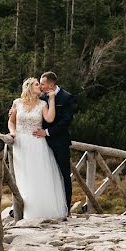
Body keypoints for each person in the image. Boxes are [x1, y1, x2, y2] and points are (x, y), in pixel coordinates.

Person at [7, 77, 68, 219]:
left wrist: (52, 100)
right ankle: (24, 210)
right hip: (20, 143)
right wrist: (13, 133)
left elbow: (50, 119)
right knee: (24, 175)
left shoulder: (42, 104)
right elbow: (11, 121)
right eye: (36, 84)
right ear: (28, 87)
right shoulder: (17, 102)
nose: (40, 87)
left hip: (37, 143)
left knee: (38, 174)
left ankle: (41, 211)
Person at [31, 72, 76, 211]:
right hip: (42, 143)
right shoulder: (42, 97)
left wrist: (47, 132)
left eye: (43, 84)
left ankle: (66, 208)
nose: (41, 86)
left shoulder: (67, 97)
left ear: (51, 84)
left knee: (64, 174)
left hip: (60, 142)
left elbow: (66, 121)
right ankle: (48, 206)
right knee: (45, 173)